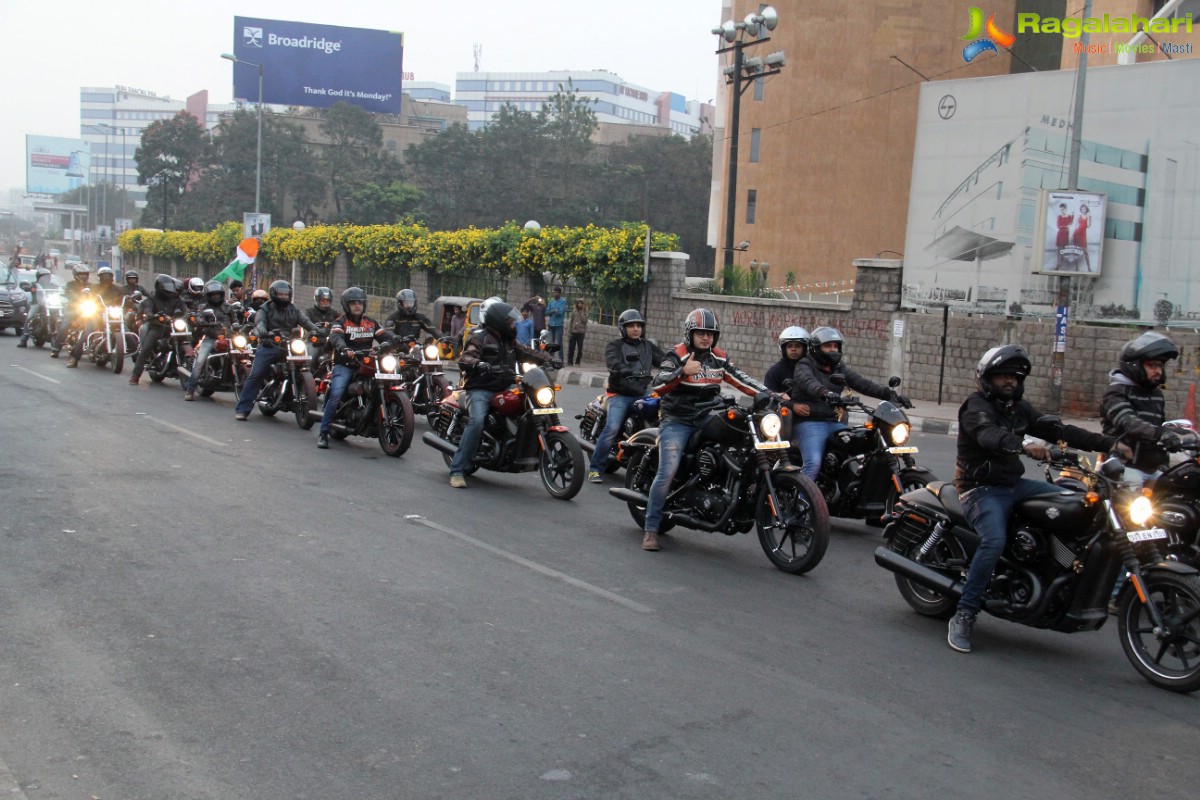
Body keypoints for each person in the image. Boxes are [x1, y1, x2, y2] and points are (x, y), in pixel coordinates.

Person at [948, 345, 1122, 654]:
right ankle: (965, 613)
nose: (1009, 382)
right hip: (980, 488)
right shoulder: (975, 408)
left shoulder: (1020, 409)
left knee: (1080, 503)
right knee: (993, 541)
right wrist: (1024, 443)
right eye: (1002, 376)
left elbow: (1059, 430)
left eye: (1014, 377)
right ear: (987, 378)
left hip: (1014, 485)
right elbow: (989, 436)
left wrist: (1110, 443)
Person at [641, 308, 769, 552]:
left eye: (710, 334)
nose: (706, 338)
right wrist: (682, 372)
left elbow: (741, 379)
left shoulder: (718, 358)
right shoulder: (677, 354)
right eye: (701, 333)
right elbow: (658, 384)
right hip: (677, 420)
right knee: (668, 470)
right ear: (690, 333)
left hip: (707, 416)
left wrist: (771, 394)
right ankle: (651, 528)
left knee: (737, 439)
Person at [448, 300, 550, 488]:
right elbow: (466, 357)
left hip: (506, 386)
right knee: (477, 420)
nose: (514, 325)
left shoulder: (509, 342)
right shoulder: (480, 338)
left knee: (532, 406)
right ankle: (457, 470)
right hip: (481, 388)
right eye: (510, 322)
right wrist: (478, 364)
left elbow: (528, 352)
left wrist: (551, 359)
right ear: (499, 321)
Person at [791, 326, 909, 481]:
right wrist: (825, 393)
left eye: (835, 346)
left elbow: (862, 383)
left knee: (858, 456)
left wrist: (891, 395)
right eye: (828, 346)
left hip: (834, 422)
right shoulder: (804, 365)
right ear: (815, 349)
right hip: (810, 422)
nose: (833, 349)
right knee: (814, 463)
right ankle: (803, 501)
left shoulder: (839, 368)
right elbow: (809, 382)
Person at [586, 309, 666, 483]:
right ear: (623, 328)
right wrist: (623, 369)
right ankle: (594, 468)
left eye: (638, 326)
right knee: (612, 428)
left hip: (642, 391)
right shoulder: (615, 346)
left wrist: (680, 364)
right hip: (620, 394)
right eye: (631, 326)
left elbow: (664, 360)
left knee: (662, 419)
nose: (636, 329)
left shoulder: (647, 346)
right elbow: (613, 362)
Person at [1101, 332, 1195, 474]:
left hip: (1152, 469)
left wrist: (1164, 460)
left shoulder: (1156, 395)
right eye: (1152, 365)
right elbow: (1129, 423)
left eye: (1161, 366)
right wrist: (1161, 433)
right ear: (1134, 365)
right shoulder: (1115, 393)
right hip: (1123, 467)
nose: (1158, 371)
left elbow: (1159, 428)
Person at [317, 287, 391, 449]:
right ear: (346, 305)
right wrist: (344, 348)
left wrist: (396, 341)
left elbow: (385, 336)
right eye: (353, 303)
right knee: (336, 394)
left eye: (360, 303)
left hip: (367, 364)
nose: (357, 306)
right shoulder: (340, 322)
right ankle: (323, 432)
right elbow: (336, 337)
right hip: (345, 364)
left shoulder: (370, 322)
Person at [233, 280, 318, 420]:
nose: (284, 297)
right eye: (281, 294)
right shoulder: (265, 309)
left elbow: (306, 322)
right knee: (256, 374)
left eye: (286, 294)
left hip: (289, 346)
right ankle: (243, 408)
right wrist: (261, 330)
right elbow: (260, 322)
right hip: (269, 345)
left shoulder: (293, 309)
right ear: (274, 294)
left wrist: (318, 330)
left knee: (306, 364)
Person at [129, 274, 189, 385]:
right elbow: (147, 308)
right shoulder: (152, 298)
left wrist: (188, 315)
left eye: (169, 286)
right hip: (157, 327)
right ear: (159, 286)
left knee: (189, 342)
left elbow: (184, 309)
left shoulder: (176, 299)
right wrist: (151, 315)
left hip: (173, 327)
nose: (168, 289)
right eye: (166, 286)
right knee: (146, 349)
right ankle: (135, 376)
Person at [183, 281, 237, 401]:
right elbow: (199, 317)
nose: (216, 297)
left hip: (228, 338)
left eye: (218, 294)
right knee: (200, 362)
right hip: (211, 338)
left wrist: (238, 325)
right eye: (213, 295)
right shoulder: (204, 307)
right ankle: (190, 390)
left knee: (244, 354)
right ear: (209, 295)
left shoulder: (228, 307)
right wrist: (202, 322)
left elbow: (235, 320)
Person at [66, 266, 123, 367]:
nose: (106, 278)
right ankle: (74, 359)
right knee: (87, 333)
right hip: (98, 315)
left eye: (108, 276)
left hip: (113, 316)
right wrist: (87, 298)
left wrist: (130, 300)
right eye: (104, 276)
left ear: (112, 277)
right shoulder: (94, 288)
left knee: (127, 332)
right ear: (100, 277)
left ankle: (138, 356)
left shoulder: (117, 289)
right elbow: (87, 297)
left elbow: (124, 299)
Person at [764, 326, 812, 443]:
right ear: (784, 348)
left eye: (797, 346)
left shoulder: (812, 369)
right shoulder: (775, 371)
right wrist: (781, 398)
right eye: (790, 346)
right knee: (786, 413)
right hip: (782, 413)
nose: (793, 349)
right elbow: (767, 396)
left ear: (805, 348)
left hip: (808, 410)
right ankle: (786, 445)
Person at [51, 263, 92, 358]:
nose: (83, 276)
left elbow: (98, 294)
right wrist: (68, 296)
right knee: (65, 325)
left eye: (85, 274)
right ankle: (56, 349)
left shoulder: (91, 286)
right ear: (76, 275)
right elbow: (65, 293)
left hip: (88, 309)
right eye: (81, 274)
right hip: (73, 310)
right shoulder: (70, 285)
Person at [17, 266, 55, 347]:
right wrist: (29, 288)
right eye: (44, 276)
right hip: (37, 304)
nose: (46, 278)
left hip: (49, 304)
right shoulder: (35, 285)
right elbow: (27, 287)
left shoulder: (52, 285)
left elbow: (60, 289)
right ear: (39, 277)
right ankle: (23, 339)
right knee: (29, 317)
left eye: (47, 276)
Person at [568, 300, 588, 365]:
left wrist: (581, 313)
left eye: (581, 303)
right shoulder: (574, 311)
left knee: (580, 348)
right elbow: (571, 321)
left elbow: (585, 320)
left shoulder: (585, 312)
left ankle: (577, 361)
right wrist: (569, 331)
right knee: (571, 347)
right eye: (578, 303)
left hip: (581, 332)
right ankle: (570, 361)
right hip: (573, 331)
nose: (579, 305)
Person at [1073, 203, 1092, 272]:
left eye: (1084, 209)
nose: (1083, 210)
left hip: (1083, 235)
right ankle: (1076, 268)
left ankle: (1089, 268)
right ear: (1081, 209)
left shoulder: (1088, 216)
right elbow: (1075, 225)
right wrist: (1073, 234)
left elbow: (1088, 225)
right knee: (1076, 252)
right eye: (1082, 209)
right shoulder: (1079, 216)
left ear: (1086, 209)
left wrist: (1088, 216)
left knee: (1085, 252)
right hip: (1077, 234)